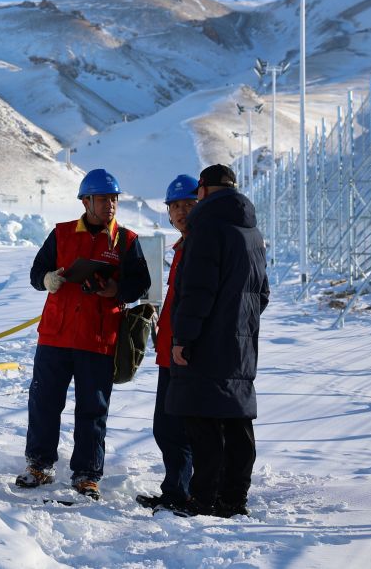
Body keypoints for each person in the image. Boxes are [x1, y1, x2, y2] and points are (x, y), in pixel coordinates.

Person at [16, 168, 151, 499]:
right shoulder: (61, 234)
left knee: (93, 408)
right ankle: (39, 465)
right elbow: (36, 273)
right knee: (45, 402)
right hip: (55, 336)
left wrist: (115, 289)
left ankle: (87, 474)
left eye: (115, 199)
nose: (111, 205)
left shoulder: (127, 240)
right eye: (104, 199)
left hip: (98, 338)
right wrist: (47, 280)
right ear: (86, 201)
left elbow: (140, 284)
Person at [166, 164, 269, 518]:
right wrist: (239, 319)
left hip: (207, 344)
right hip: (242, 344)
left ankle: (204, 499)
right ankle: (234, 499)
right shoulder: (252, 232)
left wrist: (184, 338)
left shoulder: (206, 229)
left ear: (204, 190)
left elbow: (197, 292)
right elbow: (263, 294)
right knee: (238, 422)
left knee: (203, 421)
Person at [135, 174, 197, 513]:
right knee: (167, 427)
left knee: (181, 429)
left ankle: (187, 493)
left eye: (190, 205)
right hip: (168, 353)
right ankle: (176, 490)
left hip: (187, 354)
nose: (183, 212)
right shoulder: (182, 248)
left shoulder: (200, 247)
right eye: (177, 207)